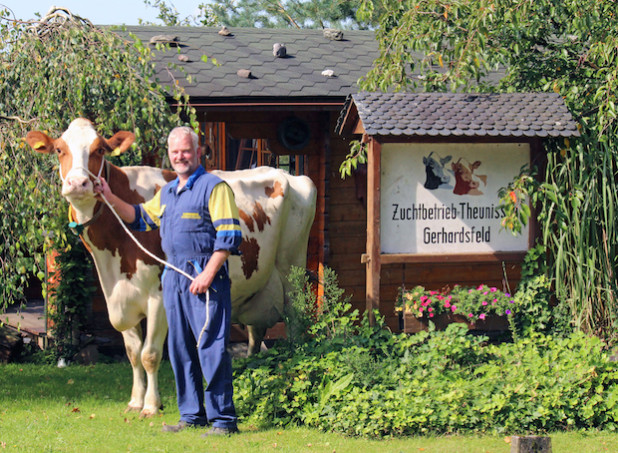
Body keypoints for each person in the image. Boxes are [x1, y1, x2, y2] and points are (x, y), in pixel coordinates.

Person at [95, 126, 242, 436]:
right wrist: (108, 196)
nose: (180, 156)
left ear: (198, 152)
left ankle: (223, 421)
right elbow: (138, 217)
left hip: (205, 278)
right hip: (172, 277)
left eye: (186, 151)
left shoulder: (214, 188)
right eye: (175, 152)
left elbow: (229, 237)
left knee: (211, 347)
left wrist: (208, 273)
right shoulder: (168, 193)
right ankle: (191, 415)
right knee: (179, 348)